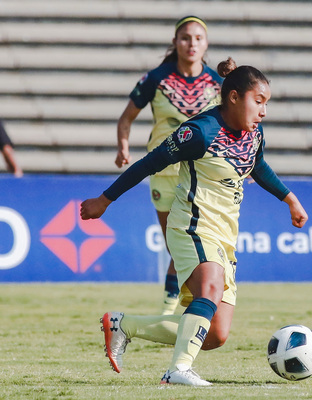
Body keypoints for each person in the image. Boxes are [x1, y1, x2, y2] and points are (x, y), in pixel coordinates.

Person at [81, 58, 308, 386]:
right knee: (210, 288)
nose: (263, 112)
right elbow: (149, 163)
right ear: (233, 97)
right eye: (258, 102)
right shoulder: (199, 132)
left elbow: (258, 166)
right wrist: (105, 199)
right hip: (191, 226)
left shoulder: (254, 135)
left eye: (266, 104)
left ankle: (123, 325)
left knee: (215, 334)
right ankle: (177, 371)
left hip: (224, 237)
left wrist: (289, 198)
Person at [116, 15, 223, 315]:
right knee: (175, 246)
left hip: (202, 174)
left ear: (206, 44)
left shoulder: (218, 83)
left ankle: (171, 308)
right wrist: (123, 147)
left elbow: (236, 126)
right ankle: (180, 303)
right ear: (175, 42)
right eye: (186, 38)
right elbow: (126, 118)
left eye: (198, 38)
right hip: (163, 171)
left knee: (191, 242)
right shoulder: (156, 79)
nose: (192, 44)